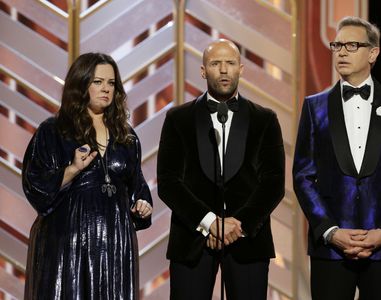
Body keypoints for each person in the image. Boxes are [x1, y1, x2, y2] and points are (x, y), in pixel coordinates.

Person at [293, 16, 381, 300]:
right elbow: (303, 175)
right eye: (337, 45)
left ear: (373, 53)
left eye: (351, 45)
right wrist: (329, 230)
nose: (342, 52)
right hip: (331, 248)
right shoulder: (315, 107)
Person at [157, 39, 285, 300]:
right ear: (203, 71)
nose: (224, 70)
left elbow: (273, 182)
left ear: (241, 68)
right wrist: (210, 222)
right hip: (192, 240)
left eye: (230, 63)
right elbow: (169, 182)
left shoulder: (265, 119)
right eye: (216, 63)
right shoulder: (178, 119)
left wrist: (238, 225)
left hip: (248, 240)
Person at [22, 52, 153, 300]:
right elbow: (35, 186)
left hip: (114, 242)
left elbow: (137, 187)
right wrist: (72, 169)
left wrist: (142, 204)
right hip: (67, 242)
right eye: (97, 82)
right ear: (81, 85)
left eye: (111, 83)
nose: (106, 89)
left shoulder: (127, 136)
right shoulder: (53, 130)